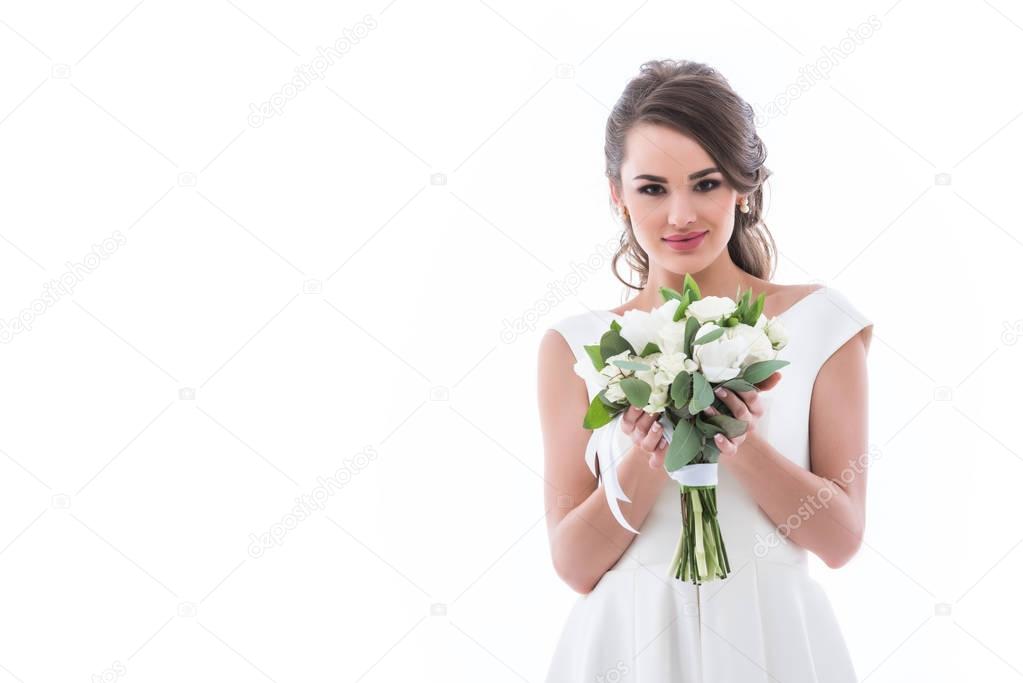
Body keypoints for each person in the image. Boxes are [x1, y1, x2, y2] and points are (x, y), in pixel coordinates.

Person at [537, 58, 873, 682]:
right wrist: (646, 453)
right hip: (625, 646)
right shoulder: (576, 346)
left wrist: (734, 440)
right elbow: (575, 565)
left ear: (743, 187)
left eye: (706, 183)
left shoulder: (822, 324)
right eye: (653, 188)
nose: (681, 215)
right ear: (617, 194)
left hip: (773, 643)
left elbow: (840, 540)